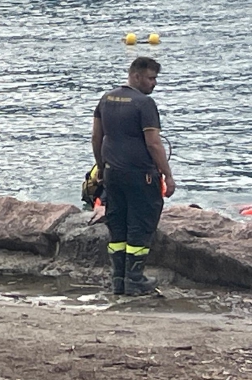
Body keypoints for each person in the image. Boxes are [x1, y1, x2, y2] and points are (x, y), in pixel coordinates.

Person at [91, 57, 176, 296]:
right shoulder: (144, 104)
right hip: (141, 176)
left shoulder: (106, 99)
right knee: (141, 225)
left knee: (117, 227)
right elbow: (154, 144)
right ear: (136, 76)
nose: (154, 83)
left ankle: (118, 279)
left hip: (112, 174)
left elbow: (97, 138)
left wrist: (100, 168)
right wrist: (167, 176)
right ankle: (135, 279)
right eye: (151, 78)